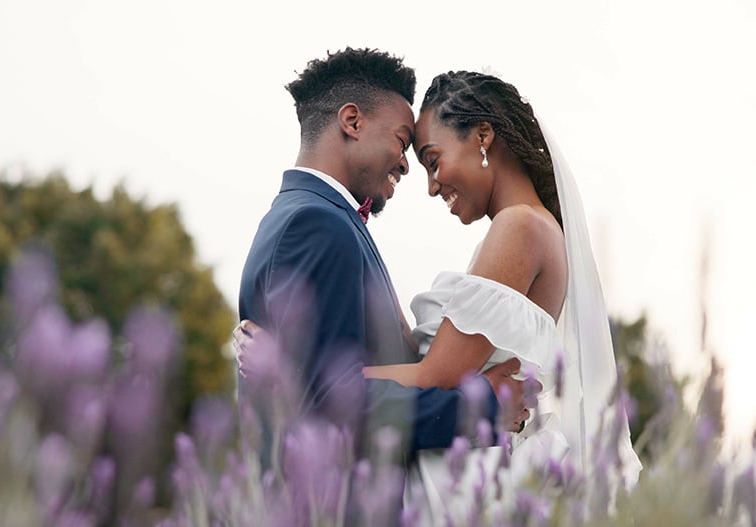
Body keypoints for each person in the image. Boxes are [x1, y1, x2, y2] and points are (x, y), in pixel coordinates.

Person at [238, 68, 642, 519]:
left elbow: (433, 375)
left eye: (432, 159)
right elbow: (436, 363)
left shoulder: (519, 227)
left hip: (458, 480)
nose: (429, 185)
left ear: (483, 137)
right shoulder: (525, 228)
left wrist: (291, 372)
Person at [236, 48, 529, 523]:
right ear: (351, 121)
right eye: (401, 139)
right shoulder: (315, 223)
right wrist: (478, 409)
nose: (410, 166)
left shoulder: (310, 218)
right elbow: (331, 403)